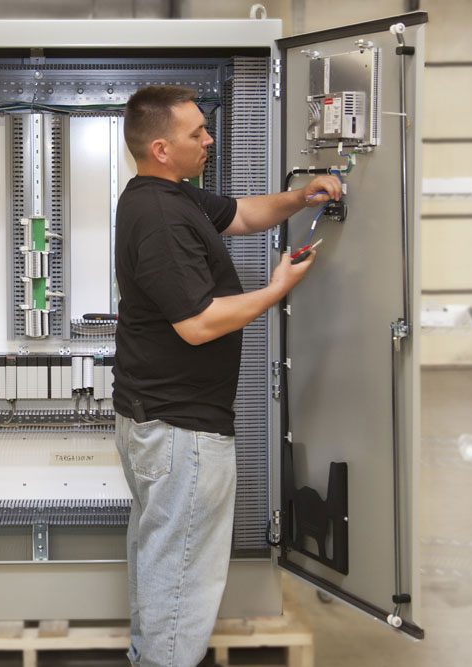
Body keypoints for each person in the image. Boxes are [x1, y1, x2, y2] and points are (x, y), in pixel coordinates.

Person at [112, 85, 341, 667]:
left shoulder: (171, 196)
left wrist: (300, 197)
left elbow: (241, 214)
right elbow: (197, 323)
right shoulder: (159, 216)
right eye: (197, 133)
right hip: (180, 431)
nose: (209, 140)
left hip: (161, 424)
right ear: (161, 148)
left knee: (162, 572)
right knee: (180, 590)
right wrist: (276, 290)